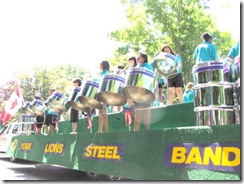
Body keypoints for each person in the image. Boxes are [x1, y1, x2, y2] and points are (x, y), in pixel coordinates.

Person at [133, 52, 153, 131]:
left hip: (146, 91)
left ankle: (147, 129)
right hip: (138, 92)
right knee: (137, 109)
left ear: (144, 59)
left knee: (146, 109)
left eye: (139, 58)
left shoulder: (148, 66)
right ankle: (136, 130)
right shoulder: (137, 67)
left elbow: (149, 79)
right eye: (137, 58)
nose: (137, 60)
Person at [122, 56, 137, 128]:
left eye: (132, 61)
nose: (131, 62)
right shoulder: (128, 69)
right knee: (128, 102)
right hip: (128, 88)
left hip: (134, 89)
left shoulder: (136, 68)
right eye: (130, 61)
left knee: (132, 102)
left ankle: (133, 114)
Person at [98, 61, 110, 133]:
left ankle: (106, 130)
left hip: (104, 95)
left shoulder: (106, 74)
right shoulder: (102, 74)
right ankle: (100, 129)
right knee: (100, 112)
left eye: (100, 65)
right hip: (101, 95)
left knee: (104, 112)